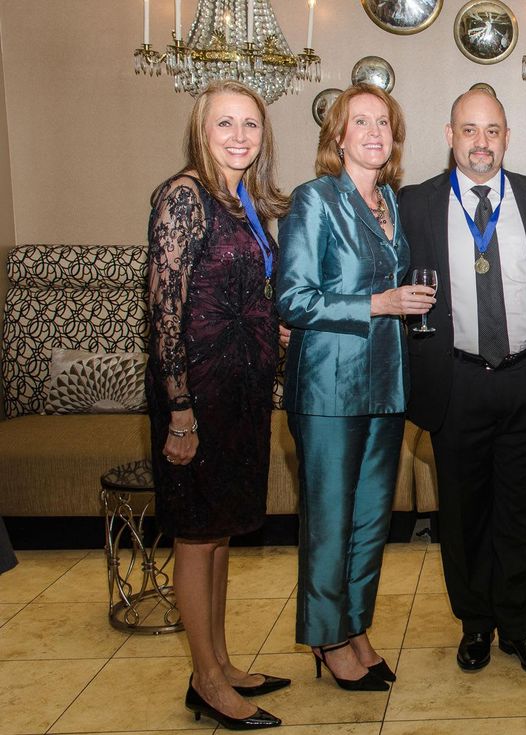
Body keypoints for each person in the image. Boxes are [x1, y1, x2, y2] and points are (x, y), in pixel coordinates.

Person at [398, 89, 526, 676]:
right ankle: (475, 625)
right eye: (469, 130)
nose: (481, 142)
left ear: (507, 136)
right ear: (449, 135)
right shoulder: (413, 204)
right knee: (464, 519)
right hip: (456, 382)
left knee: (522, 515)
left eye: (492, 130)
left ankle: (519, 629)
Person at [277, 83, 434, 692]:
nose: (374, 132)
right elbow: (292, 300)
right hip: (328, 390)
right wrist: (379, 302)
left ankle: (356, 624)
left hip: (386, 384)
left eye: (384, 123)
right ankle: (327, 638)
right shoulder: (315, 199)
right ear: (337, 136)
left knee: (372, 521)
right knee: (330, 520)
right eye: (360, 121)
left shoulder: (390, 202)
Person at [146, 79, 291, 730]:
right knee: (196, 536)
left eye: (250, 125)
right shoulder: (183, 196)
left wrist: (274, 325)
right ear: (200, 132)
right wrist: (179, 408)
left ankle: (223, 660)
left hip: (243, 392)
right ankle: (206, 679)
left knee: (222, 533)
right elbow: (164, 309)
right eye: (224, 124)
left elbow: (246, 288)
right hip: (196, 395)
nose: (239, 136)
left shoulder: (244, 203)